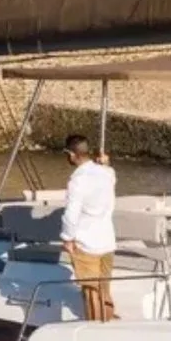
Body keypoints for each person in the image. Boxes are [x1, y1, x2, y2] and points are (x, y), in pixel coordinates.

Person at [61, 132, 119, 322]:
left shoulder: (77, 181)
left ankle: (95, 328)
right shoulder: (107, 173)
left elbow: (71, 214)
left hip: (87, 244)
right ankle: (108, 320)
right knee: (104, 288)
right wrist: (105, 163)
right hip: (107, 240)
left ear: (71, 155)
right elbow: (111, 175)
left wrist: (68, 239)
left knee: (91, 291)